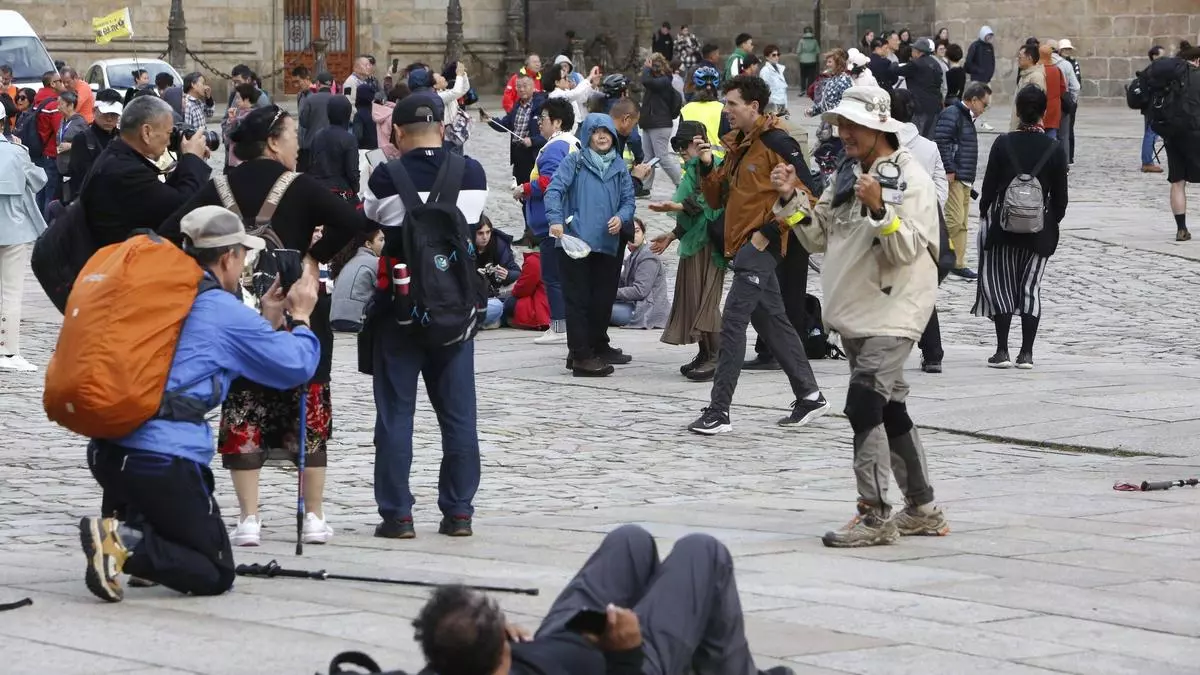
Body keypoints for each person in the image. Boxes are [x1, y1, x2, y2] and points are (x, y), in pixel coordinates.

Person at [79, 205, 322, 603]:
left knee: (185, 510)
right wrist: (301, 319)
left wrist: (268, 315)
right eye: (244, 256)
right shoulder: (219, 309)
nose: (244, 265)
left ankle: (139, 542)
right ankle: (122, 544)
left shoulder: (164, 293)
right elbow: (294, 366)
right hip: (159, 458)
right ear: (228, 257)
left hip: (111, 448)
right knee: (215, 571)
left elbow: (217, 352)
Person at [160, 104, 366, 547]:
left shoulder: (220, 186)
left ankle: (249, 519)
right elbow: (356, 222)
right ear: (274, 141)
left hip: (236, 315)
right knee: (309, 407)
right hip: (297, 306)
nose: (299, 145)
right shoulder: (301, 186)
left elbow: (169, 231)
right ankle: (313, 517)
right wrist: (314, 255)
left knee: (243, 409)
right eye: (293, 136)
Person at [772, 84, 947, 547]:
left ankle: (875, 515)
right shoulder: (848, 174)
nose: (843, 133)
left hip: (894, 306)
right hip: (855, 309)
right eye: (840, 125)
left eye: (851, 125)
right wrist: (792, 199)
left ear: (876, 128)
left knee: (864, 401)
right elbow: (817, 237)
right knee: (890, 408)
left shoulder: (911, 178)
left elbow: (908, 248)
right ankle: (923, 508)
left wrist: (878, 207)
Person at [411, 525, 796, 675]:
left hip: (562, 637)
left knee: (630, 540)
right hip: (614, 660)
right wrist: (626, 654)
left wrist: (484, 639)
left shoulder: (449, 664)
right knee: (702, 551)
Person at [362, 94, 488, 539]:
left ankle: (397, 515)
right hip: (456, 311)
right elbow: (472, 224)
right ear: (443, 125)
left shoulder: (384, 176)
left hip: (400, 310)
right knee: (459, 417)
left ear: (396, 133)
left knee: (396, 416)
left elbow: (374, 220)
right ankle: (458, 512)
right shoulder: (471, 172)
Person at [688, 75, 828, 435]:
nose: (725, 110)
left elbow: (808, 195)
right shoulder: (738, 146)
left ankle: (719, 411)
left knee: (733, 323)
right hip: (742, 248)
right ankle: (810, 394)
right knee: (772, 323)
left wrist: (768, 234)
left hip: (759, 249)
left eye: (732, 104)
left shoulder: (777, 141)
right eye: (725, 103)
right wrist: (706, 165)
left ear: (754, 107)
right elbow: (717, 199)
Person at [974, 86, 1068, 369]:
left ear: (1017, 111)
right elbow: (1061, 199)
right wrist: (1050, 222)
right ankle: (1026, 353)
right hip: (1039, 231)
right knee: (1030, 288)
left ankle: (1002, 350)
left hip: (1003, 227)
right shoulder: (1055, 148)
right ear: (1043, 112)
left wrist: (985, 215)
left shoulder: (1003, 143)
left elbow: (989, 188)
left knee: (1001, 285)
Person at [544, 112, 636, 378]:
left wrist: (621, 217)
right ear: (588, 137)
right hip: (575, 242)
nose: (602, 136)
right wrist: (555, 220)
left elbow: (629, 201)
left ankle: (596, 345)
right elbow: (554, 191)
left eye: (606, 131)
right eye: (596, 132)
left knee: (601, 299)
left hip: (607, 244)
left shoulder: (619, 167)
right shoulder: (574, 162)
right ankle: (582, 356)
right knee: (578, 300)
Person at [649, 121, 727, 381]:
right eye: (679, 146)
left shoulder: (712, 165)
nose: (682, 150)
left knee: (706, 300)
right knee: (693, 299)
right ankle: (705, 352)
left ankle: (716, 356)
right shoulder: (691, 167)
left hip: (710, 243)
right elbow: (692, 208)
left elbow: (708, 199)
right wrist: (672, 235)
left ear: (700, 141)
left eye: (686, 145)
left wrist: (678, 207)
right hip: (693, 241)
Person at [80, 96, 211, 248]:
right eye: (169, 133)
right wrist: (193, 158)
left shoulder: (117, 156)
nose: (169, 142)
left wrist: (187, 160)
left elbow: (164, 195)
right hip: (114, 263)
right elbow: (183, 210)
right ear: (146, 132)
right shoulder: (124, 171)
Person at [513, 97, 577, 346]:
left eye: (544, 119)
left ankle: (559, 326)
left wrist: (524, 189)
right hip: (566, 219)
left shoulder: (554, 148)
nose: (539, 124)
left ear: (557, 122)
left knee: (553, 276)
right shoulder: (571, 143)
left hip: (554, 222)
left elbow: (550, 183)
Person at [0, 130, 47, 373]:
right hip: (14, 229)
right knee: (11, 292)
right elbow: (39, 181)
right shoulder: (17, 153)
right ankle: (8, 350)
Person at [934, 81, 990, 282]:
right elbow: (941, 141)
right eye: (984, 104)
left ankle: (957, 263)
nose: (985, 109)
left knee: (963, 223)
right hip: (955, 176)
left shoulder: (966, 116)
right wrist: (949, 169)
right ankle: (942, 258)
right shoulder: (953, 114)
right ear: (973, 100)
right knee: (954, 220)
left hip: (965, 177)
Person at [1163, 46, 1200, 241]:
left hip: (1174, 135)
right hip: (1197, 132)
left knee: (1177, 182)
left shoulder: (1169, 78)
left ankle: (1181, 229)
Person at [487, 76, 546, 189]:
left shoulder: (541, 105)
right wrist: (490, 120)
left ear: (533, 87)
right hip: (517, 152)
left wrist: (532, 141)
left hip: (532, 154)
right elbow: (506, 124)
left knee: (532, 187)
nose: (522, 89)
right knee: (521, 188)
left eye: (525, 86)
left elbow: (548, 134)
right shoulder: (517, 105)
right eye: (519, 87)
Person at [610, 218, 668, 329]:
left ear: (643, 233)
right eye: (629, 232)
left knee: (598, 310)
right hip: (634, 306)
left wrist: (609, 292)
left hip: (647, 311)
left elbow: (640, 291)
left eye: (636, 231)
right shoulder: (632, 255)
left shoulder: (648, 255)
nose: (633, 235)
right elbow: (621, 282)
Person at [65, 90, 122, 203]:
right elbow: (80, 176)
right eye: (105, 114)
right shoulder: (82, 139)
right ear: (94, 111)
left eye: (114, 114)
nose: (109, 119)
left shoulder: (124, 138)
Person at [639, 53, 683, 191]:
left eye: (654, 65)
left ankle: (680, 184)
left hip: (660, 124)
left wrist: (646, 68)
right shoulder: (656, 82)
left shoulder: (664, 81)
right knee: (648, 158)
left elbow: (647, 81)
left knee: (662, 157)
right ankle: (645, 187)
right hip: (649, 123)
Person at [330, 228, 385, 333]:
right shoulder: (375, 262)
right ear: (368, 244)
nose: (385, 243)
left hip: (335, 319)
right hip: (356, 320)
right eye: (381, 240)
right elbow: (385, 289)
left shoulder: (351, 261)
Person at [308, 96, 360, 200]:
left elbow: (311, 164)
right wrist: (355, 189)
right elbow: (352, 171)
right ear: (348, 114)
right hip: (341, 192)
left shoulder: (317, 135)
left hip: (318, 190)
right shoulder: (349, 139)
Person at [475, 215, 521, 329]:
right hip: (470, 300)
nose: (485, 237)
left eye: (488, 232)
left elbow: (517, 272)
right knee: (496, 308)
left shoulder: (498, 243)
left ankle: (487, 321)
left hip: (495, 295)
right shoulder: (464, 246)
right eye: (480, 233)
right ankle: (489, 321)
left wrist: (508, 275)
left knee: (509, 304)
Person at [32, 70, 64, 213]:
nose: (62, 84)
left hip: (38, 150)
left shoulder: (38, 99)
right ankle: (47, 228)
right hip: (51, 153)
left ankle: (38, 224)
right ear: (52, 83)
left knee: (41, 191)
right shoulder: (54, 105)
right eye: (60, 81)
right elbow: (59, 131)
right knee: (51, 195)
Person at [899, 38, 944, 138]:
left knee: (917, 136)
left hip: (919, 106)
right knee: (929, 137)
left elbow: (897, 70)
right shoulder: (936, 64)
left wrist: (893, 64)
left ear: (918, 52)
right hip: (934, 106)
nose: (912, 53)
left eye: (913, 50)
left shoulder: (916, 64)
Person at [505, 235, 550, 331]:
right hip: (555, 305)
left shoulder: (534, 260)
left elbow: (523, 289)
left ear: (529, 242)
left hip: (543, 311)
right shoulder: (555, 255)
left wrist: (512, 293)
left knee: (509, 302)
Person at [547, 62, 601, 133]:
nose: (568, 80)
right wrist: (589, 77)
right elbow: (575, 93)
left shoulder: (565, 91)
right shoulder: (555, 94)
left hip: (576, 126)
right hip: (566, 131)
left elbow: (581, 98)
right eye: (565, 78)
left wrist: (593, 85)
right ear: (557, 82)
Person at [53, 90, 86, 203]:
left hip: (71, 169)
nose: (58, 107)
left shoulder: (79, 122)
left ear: (70, 105)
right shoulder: (63, 120)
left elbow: (87, 143)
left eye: (61, 104)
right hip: (61, 166)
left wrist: (71, 145)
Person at [299, 71, 335, 171]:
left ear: (318, 84)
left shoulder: (310, 100)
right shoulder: (337, 100)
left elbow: (303, 122)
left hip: (311, 145)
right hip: (331, 145)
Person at [221, 83, 260, 173]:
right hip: (234, 161)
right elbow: (226, 138)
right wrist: (231, 120)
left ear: (246, 99)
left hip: (243, 162)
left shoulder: (252, 117)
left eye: (238, 98)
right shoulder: (239, 114)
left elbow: (232, 136)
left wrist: (233, 121)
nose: (236, 101)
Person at [1010, 45, 1047, 131]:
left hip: (1027, 127)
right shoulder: (1025, 75)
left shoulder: (1036, 77)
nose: (1018, 60)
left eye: (1020, 57)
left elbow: (1035, 105)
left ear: (1029, 58)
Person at [1036, 44, 1067, 140]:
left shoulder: (1037, 71)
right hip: (1053, 109)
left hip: (1039, 109)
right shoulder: (1057, 70)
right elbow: (1063, 89)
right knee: (1051, 137)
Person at [760, 45, 789, 116]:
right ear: (767, 57)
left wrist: (786, 106)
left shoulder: (780, 69)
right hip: (773, 105)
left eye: (778, 55)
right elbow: (764, 90)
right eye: (774, 55)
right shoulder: (765, 70)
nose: (777, 57)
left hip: (782, 103)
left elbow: (783, 89)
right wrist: (770, 108)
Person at [796, 27, 821, 91]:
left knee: (803, 76)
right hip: (812, 60)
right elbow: (818, 51)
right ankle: (809, 90)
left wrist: (801, 55)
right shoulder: (814, 41)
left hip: (803, 61)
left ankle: (803, 89)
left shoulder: (801, 41)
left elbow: (798, 51)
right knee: (811, 76)